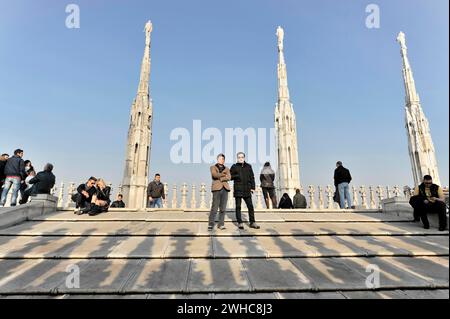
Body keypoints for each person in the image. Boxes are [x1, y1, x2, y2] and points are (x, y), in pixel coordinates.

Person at [230, 152, 260, 229]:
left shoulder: (248, 166)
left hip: (247, 189)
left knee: (250, 206)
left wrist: (253, 187)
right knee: (238, 206)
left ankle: (252, 222)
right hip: (238, 189)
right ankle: (240, 222)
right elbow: (229, 176)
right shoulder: (234, 166)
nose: (240, 158)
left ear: (244, 158)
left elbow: (252, 177)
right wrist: (236, 176)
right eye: (239, 157)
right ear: (237, 158)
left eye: (242, 157)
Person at [208, 153, 231, 231]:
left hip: (225, 188)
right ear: (217, 159)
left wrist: (221, 178)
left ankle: (221, 224)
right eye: (220, 159)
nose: (221, 160)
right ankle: (211, 224)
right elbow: (214, 175)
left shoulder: (227, 168)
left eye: (223, 159)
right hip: (216, 188)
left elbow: (229, 177)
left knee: (223, 208)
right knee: (214, 207)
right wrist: (224, 175)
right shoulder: (213, 167)